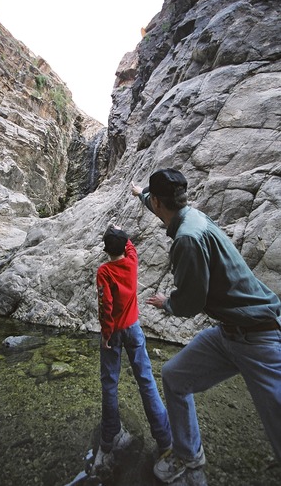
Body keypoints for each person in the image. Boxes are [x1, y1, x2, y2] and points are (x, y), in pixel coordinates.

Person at [131, 168, 281, 484]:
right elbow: (157, 204)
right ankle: (189, 459)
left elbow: (191, 302)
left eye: (152, 199)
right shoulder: (189, 215)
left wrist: (167, 303)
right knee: (174, 376)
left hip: (258, 336)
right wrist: (139, 193)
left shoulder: (186, 239)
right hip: (230, 332)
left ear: (160, 203)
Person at [96, 224, 172, 458]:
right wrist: (122, 232)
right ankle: (164, 439)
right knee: (146, 381)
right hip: (134, 329)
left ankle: (110, 437)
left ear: (106, 249)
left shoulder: (104, 271)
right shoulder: (131, 262)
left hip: (114, 332)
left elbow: (105, 305)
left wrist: (107, 333)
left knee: (110, 383)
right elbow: (131, 248)